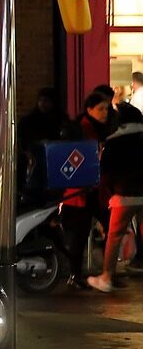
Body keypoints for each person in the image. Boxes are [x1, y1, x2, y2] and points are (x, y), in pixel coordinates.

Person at [60, 89, 113, 289]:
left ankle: (101, 272)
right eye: (100, 109)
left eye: (106, 108)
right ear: (89, 109)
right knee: (80, 235)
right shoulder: (83, 130)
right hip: (81, 192)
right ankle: (76, 274)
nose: (105, 112)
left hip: (91, 191)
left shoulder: (95, 128)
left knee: (108, 227)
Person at [88, 106, 143, 292]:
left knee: (114, 236)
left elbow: (106, 172)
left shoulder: (114, 141)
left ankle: (106, 276)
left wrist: (108, 196)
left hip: (124, 195)